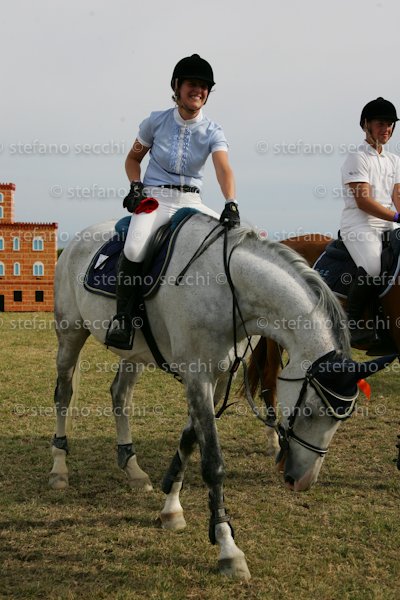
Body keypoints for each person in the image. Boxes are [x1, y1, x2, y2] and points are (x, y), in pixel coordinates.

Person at [105, 53, 239, 350]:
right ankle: (123, 320)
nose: (199, 90)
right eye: (192, 84)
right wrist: (136, 186)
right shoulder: (155, 121)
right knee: (134, 246)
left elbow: (223, 168)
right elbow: (133, 159)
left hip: (192, 201)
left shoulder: (213, 131)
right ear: (177, 86)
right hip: (155, 199)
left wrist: (231, 201)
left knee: (232, 242)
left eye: (204, 86)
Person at [340, 97, 400, 345]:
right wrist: (396, 216)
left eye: (390, 124)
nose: (386, 129)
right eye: (380, 123)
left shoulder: (394, 160)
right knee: (374, 267)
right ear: (366, 125)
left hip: (388, 224)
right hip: (359, 224)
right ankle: (352, 325)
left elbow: (397, 195)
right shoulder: (357, 157)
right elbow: (363, 201)